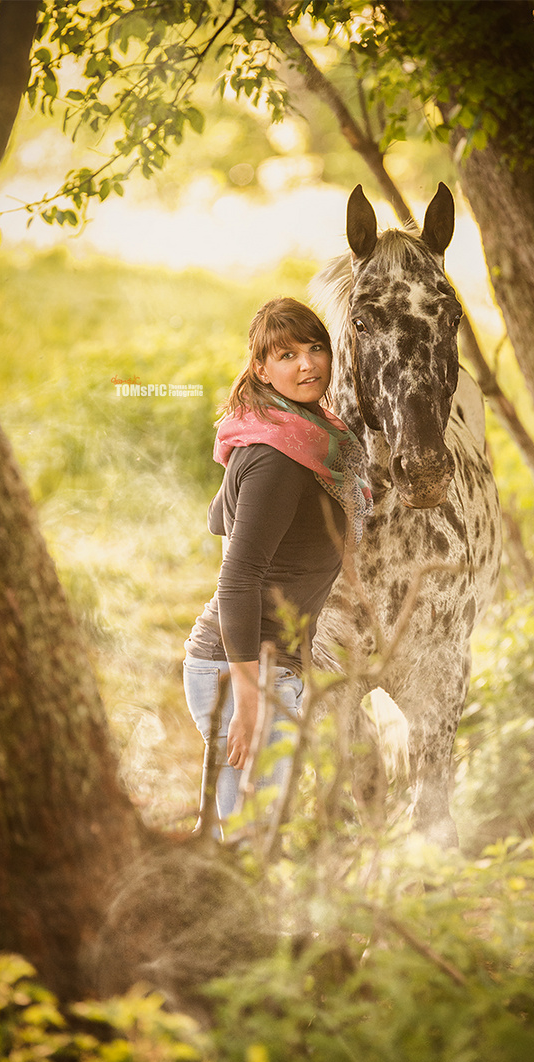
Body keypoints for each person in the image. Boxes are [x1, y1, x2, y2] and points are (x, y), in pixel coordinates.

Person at [183, 297, 372, 833]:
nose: (308, 364)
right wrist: (248, 697)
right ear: (261, 368)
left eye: (316, 348)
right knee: (252, 840)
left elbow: (223, 529)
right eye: (286, 355)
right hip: (244, 670)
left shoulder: (284, 433)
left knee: (239, 835)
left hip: (247, 663)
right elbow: (237, 575)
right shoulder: (277, 456)